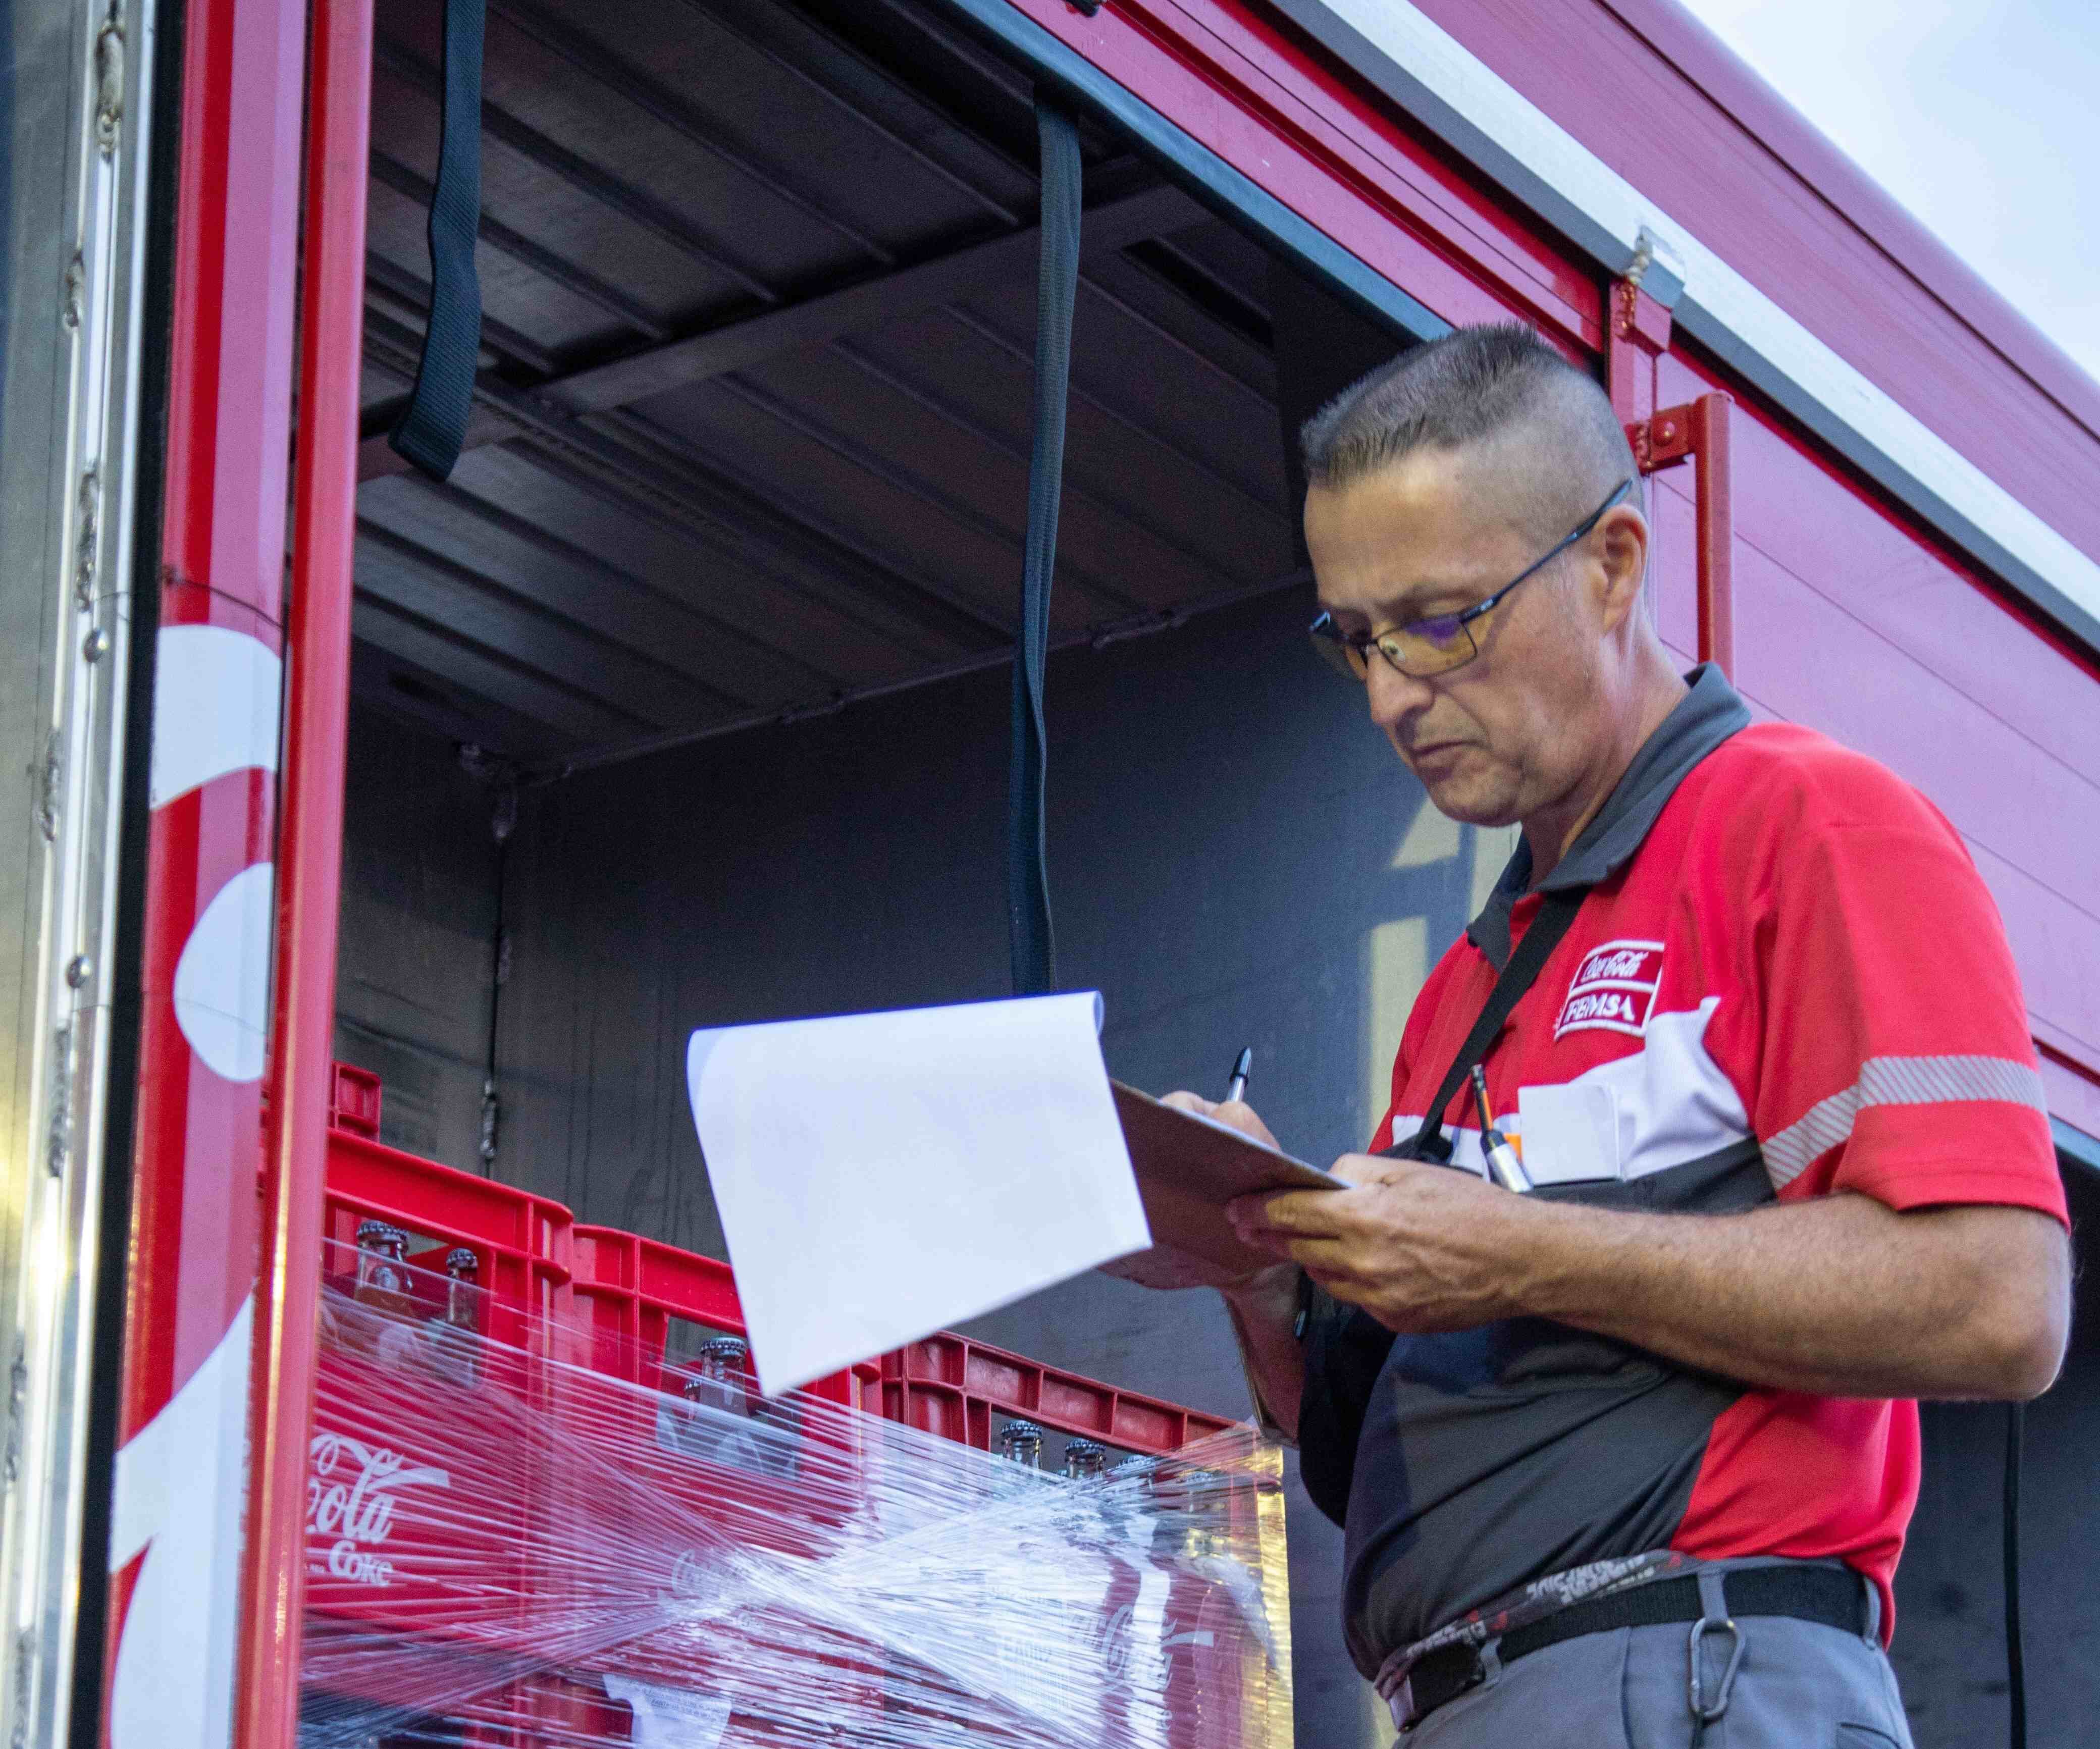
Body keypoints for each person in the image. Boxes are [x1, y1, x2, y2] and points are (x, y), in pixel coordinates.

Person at [1167, 324, 2070, 1746]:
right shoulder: (1468, 987)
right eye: (1358, 638)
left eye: (1445, 618)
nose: (1398, 690)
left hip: (1686, 1674)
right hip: (1471, 1696)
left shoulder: (1808, 823)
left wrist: (1512, 1249)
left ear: (1614, 566)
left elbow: (2000, 1296)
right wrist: (1258, 1271)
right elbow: (1355, 1456)